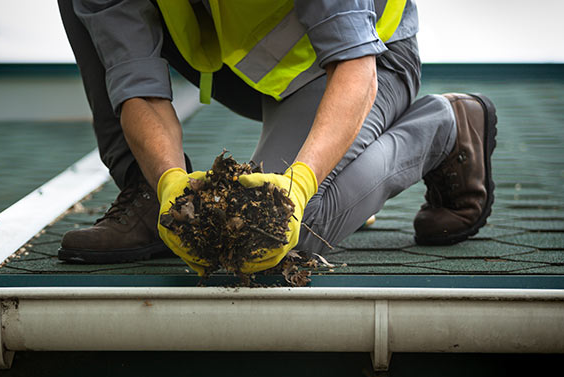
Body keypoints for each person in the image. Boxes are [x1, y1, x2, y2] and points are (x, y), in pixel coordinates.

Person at [56, 0, 497, 275]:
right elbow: (138, 87)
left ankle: (446, 124)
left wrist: (301, 184)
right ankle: (145, 193)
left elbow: (354, 70)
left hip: (370, 58)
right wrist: (169, 182)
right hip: (248, 71)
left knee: (273, 231)